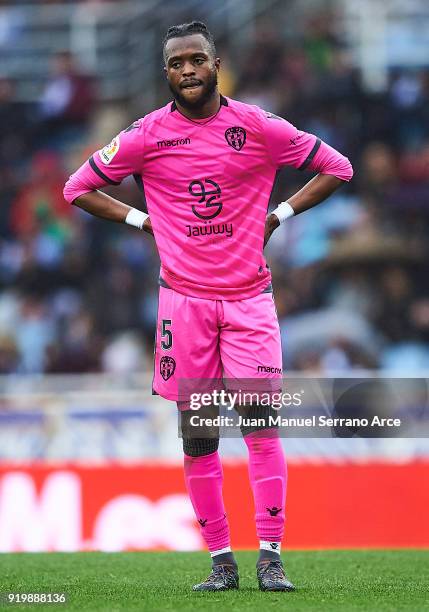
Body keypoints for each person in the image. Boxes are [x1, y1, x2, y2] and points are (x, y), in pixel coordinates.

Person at [63, 21, 353, 592]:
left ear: (216, 64)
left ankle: (270, 558)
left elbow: (337, 167)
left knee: (260, 428)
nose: (188, 70)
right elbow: (77, 188)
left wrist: (278, 215)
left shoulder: (258, 126)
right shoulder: (146, 135)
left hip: (249, 301)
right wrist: (142, 220)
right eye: (177, 63)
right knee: (198, 436)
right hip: (185, 306)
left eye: (198, 59)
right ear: (166, 73)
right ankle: (222, 563)